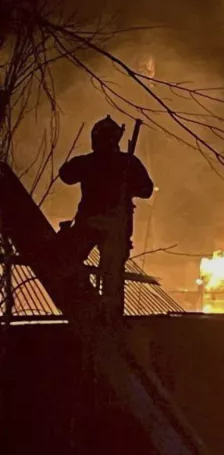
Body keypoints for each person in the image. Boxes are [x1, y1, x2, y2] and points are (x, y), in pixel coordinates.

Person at [58, 116, 153, 314]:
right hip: (95, 223)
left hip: (112, 224)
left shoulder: (124, 163)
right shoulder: (97, 162)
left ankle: (107, 314)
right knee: (70, 259)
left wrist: (127, 183)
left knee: (110, 274)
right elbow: (66, 174)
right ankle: (89, 300)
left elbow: (146, 189)